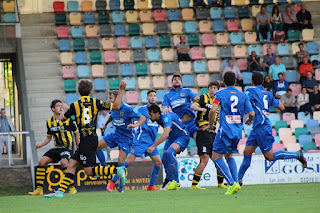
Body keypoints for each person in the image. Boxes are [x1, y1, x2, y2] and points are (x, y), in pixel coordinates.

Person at [44, 79, 127, 198]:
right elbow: (117, 106)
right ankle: (60, 192)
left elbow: (62, 120)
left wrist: (67, 109)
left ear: (79, 91)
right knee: (71, 164)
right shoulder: (96, 102)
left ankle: (116, 170)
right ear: (90, 91)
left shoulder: (75, 105)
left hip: (85, 140)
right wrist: (121, 89)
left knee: (88, 171)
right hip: (91, 138)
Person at [237, 72, 307, 186]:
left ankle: (297, 154)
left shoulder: (250, 91)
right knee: (247, 152)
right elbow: (281, 107)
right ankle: (238, 181)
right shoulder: (267, 93)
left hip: (262, 128)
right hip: (257, 128)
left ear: (252, 81)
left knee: (269, 157)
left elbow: (242, 101)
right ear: (263, 81)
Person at [205, 72, 255, 195]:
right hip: (237, 131)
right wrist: (249, 121)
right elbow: (252, 114)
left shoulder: (220, 94)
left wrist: (211, 125)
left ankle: (232, 184)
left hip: (225, 130)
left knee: (216, 157)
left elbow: (213, 110)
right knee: (229, 156)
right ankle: (236, 182)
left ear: (224, 81)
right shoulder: (243, 95)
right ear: (235, 81)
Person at [28, 100, 80, 196]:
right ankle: (39, 189)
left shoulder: (68, 120)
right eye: (58, 106)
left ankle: (72, 188)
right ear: (53, 109)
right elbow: (49, 137)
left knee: (64, 163)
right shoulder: (49, 122)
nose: (61, 107)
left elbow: (76, 132)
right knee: (41, 162)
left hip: (67, 148)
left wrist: (78, 146)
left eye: (61, 106)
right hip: (57, 148)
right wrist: (41, 145)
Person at [100, 90, 146, 193]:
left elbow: (143, 118)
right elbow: (112, 115)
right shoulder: (112, 107)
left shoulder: (128, 108)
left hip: (126, 138)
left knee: (121, 161)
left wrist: (135, 125)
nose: (109, 100)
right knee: (97, 146)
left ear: (117, 98)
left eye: (110, 98)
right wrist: (106, 124)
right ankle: (103, 167)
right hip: (116, 134)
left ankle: (120, 188)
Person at [161, 73, 198, 189]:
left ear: (181, 82)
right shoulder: (168, 95)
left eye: (178, 79)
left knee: (206, 148)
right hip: (177, 128)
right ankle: (171, 179)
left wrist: (195, 105)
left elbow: (197, 99)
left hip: (191, 125)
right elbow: (164, 107)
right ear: (171, 83)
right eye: (174, 79)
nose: (176, 80)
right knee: (164, 156)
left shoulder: (187, 91)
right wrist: (165, 108)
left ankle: (221, 179)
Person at [120, 89, 162, 192]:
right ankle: (114, 183)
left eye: (154, 96)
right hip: (141, 141)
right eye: (151, 96)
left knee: (158, 162)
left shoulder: (158, 112)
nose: (153, 97)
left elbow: (155, 128)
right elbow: (132, 117)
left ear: (156, 98)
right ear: (147, 98)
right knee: (128, 161)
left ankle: (150, 186)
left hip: (151, 142)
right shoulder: (142, 110)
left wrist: (155, 142)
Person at [190, 81, 227, 190]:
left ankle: (220, 184)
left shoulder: (219, 101)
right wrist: (200, 109)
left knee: (219, 159)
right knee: (204, 159)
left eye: (215, 88)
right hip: (203, 133)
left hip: (214, 134)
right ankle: (194, 185)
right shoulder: (203, 98)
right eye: (210, 87)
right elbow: (192, 106)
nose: (212, 90)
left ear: (218, 89)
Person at [147, 105, 190, 191]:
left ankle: (176, 181)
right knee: (165, 158)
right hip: (172, 137)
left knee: (170, 152)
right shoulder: (158, 119)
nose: (149, 116)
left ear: (157, 114)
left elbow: (165, 134)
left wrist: (153, 146)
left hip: (182, 135)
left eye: (151, 114)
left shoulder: (165, 117)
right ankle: (169, 180)